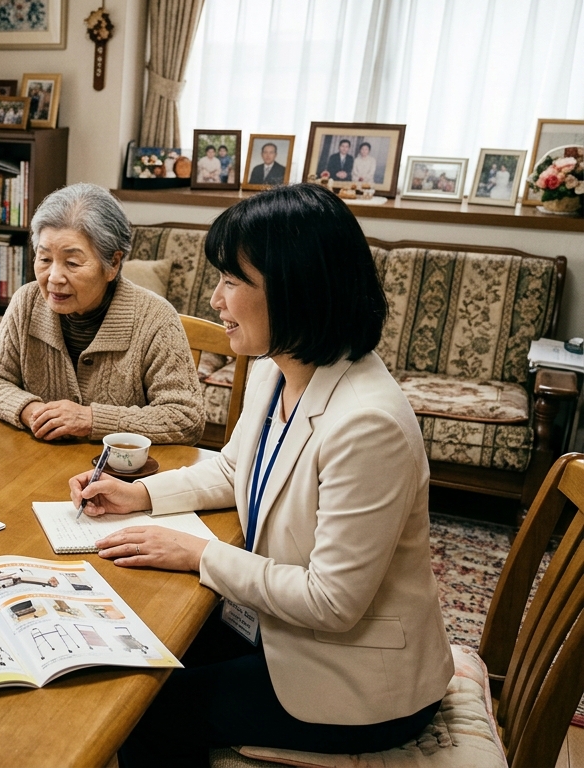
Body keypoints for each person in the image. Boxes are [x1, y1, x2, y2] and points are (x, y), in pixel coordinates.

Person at [69, 183, 453, 766]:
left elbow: (332, 602)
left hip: (357, 676)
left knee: (139, 713)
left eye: (231, 281)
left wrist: (197, 554)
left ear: (296, 287)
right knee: (128, 654)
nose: (215, 299)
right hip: (282, 631)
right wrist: (138, 493)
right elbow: (233, 469)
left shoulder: (368, 423)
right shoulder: (280, 368)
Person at [0, 183, 203, 444]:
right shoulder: (26, 301)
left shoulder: (155, 318)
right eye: (45, 259)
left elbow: (186, 417)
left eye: (72, 263)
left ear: (113, 264)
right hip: (38, 464)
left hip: (120, 477)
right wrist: (32, 412)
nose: (54, 278)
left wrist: (91, 420)